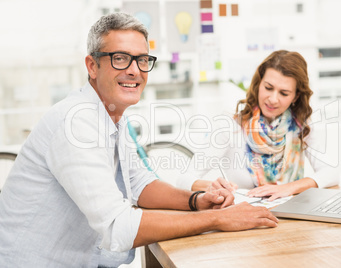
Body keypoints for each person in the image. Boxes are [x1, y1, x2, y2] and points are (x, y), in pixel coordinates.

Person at [0, 13, 278, 267]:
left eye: (142, 60)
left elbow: (141, 184)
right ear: (92, 65)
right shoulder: (76, 121)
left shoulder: (111, 115)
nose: (135, 70)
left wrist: (197, 200)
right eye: (120, 58)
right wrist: (218, 218)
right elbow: (117, 226)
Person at [177, 50, 339, 201]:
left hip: (293, 219)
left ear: (296, 96)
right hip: (247, 220)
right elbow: (184, 178)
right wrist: (209, 186)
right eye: (268, 88)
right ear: (259, 84)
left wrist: (287, 188)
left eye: (284, 93)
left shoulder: (302, 126)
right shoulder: (230, 127)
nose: (273, 99)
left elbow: (331, 173)